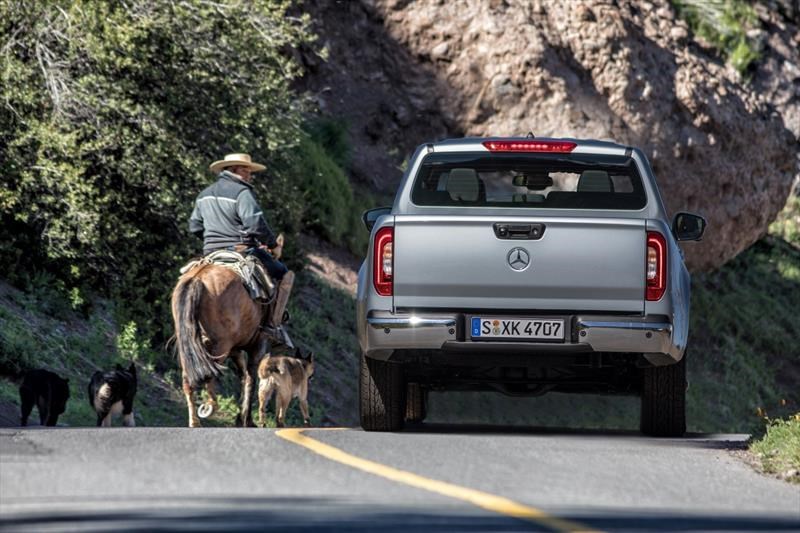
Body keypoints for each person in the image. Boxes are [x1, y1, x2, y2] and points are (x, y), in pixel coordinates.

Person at [189, 153, 294, 342]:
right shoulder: (242, 193)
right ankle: (272, 324)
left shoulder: (204, 194)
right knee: (283, 273)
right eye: (247, 170)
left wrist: (212, 241)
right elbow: (255, 224)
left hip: (210, 252)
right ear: (236, 170)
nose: (250, 175)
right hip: (241, 249)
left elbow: (195, 227)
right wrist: (272, 244)